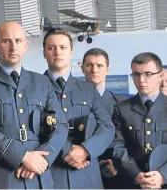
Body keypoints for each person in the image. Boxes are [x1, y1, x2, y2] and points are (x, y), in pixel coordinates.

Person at [0, 21, 68, 189]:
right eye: (6, 41)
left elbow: (61, 125)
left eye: (18, 41)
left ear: (26, 45)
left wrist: (42, 159)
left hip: (38, 177)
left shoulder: (42, 82)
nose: (13, 47)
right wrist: (22, 157)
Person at [43, 28, 115, 189]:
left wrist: (86, 150)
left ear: (71, 52)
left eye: (63, 47)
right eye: (51, 47)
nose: (57, 52)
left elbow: (107, 127)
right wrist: (69, 151)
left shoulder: (89, 90)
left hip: (87, 176)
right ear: (44, 53)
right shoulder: (34, 88)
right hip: (51, 176)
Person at [112, 52, 167, 189]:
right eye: (136, 74)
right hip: (132, 182)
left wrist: (163, 175)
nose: (141, 80)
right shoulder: (121, 109)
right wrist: (136, 174)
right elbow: (117, 146)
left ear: (160, 76)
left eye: (148, 74)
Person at [81, 48, 129, 188]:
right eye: (89, 65)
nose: (94, 70)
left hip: (115, 173)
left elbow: (128, 139)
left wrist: (117, 164)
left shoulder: (122, 104)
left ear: (108, 69)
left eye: (100, 65)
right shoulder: (71, 100)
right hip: (79, 169)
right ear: (83, 68)